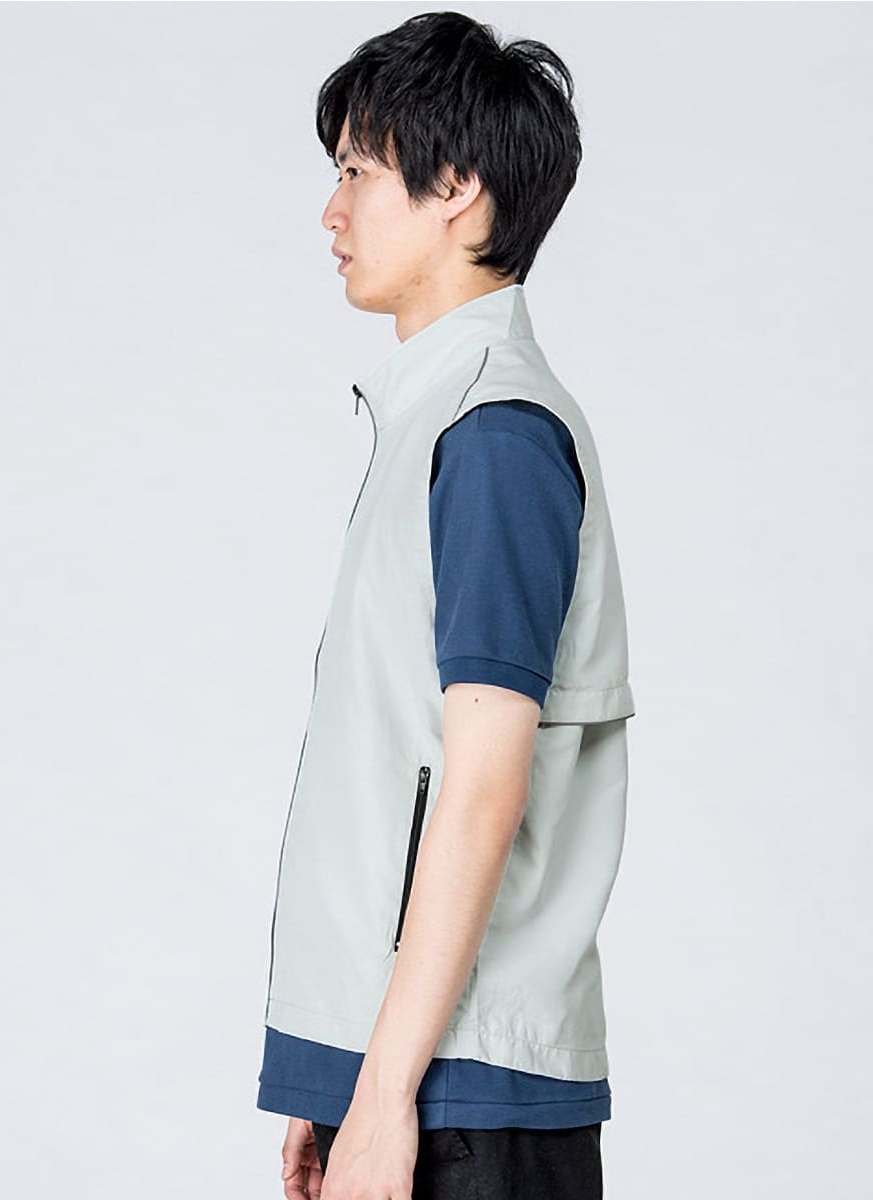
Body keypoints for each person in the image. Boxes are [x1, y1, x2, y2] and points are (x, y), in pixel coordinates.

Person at [256, 11, 635, 1198]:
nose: (331, 212)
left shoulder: (494, 435)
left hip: (465, 1104)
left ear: (458, 185)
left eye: (357, 172)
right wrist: (343, 1079)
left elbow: (481, 787)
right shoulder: (437, 420)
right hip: (422, 1081)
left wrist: (382, 1097)